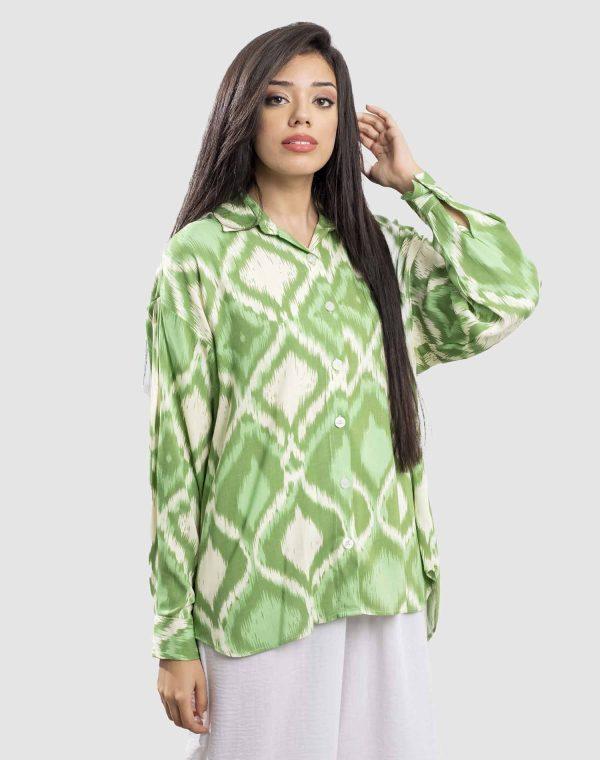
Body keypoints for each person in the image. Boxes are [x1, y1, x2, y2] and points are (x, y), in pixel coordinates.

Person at [143, 21, 541, 760]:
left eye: (323, 101)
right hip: (259, 589)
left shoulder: (377, 251)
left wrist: (414, 184)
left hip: (382, 578)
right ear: (243, 113)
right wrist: (174, 635)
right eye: (278, 98)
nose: (302, 116)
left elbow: (509, 291)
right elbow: (177, 455)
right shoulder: (200, 258)